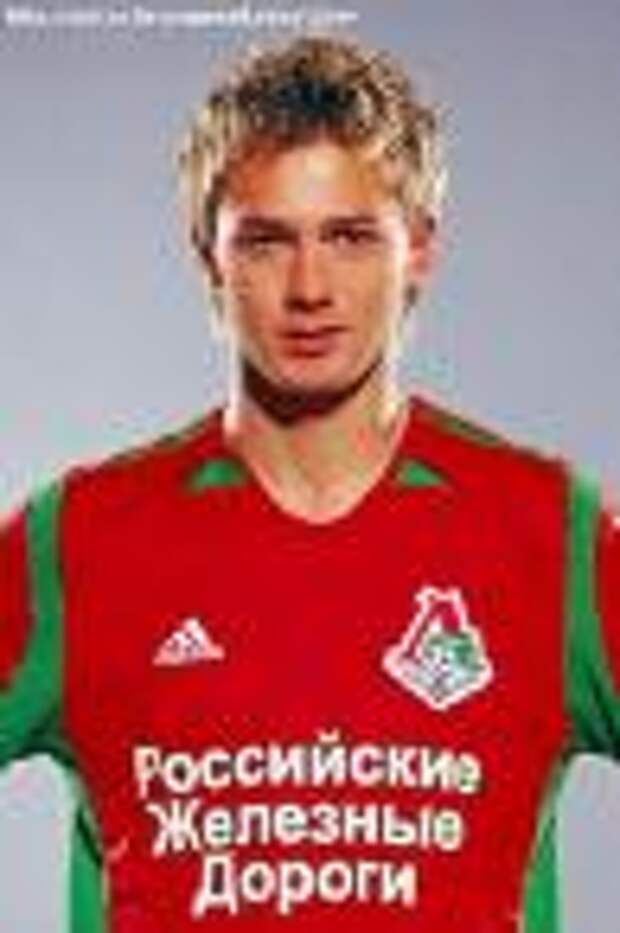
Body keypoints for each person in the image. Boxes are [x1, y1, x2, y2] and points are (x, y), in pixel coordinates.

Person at [1, 33, 619, 933]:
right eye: (265, 241)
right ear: (209, 257)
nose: (310, 287)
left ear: (420, 249)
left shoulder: (547, 531)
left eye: (351, 237)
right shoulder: (81, 536)